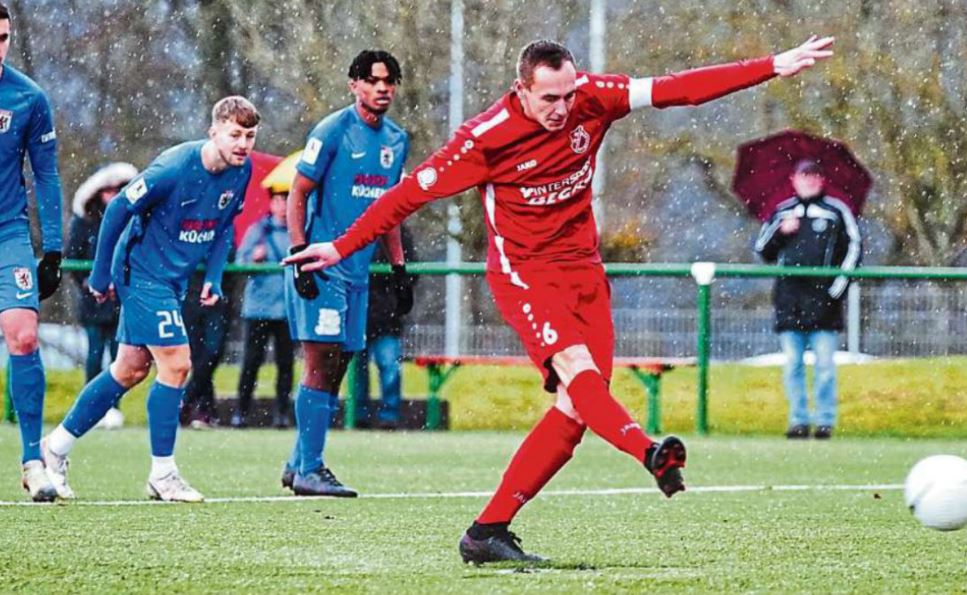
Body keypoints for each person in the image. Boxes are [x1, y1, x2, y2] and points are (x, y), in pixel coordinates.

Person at [285, 37, 835, 562]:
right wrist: (338, 245)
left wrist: (771, 65)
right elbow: (404, 196)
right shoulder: (485, 138)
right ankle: (647, 450)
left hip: (584, 273)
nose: (563, 107)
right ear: (520, 89)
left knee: (575, 410)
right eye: (550, 97)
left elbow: (678, 89)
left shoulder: (591, 97)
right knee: (577, 372)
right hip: (526, 275)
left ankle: (487, 531)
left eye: (569, 94)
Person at [42, 96, 259, 502]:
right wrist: (101, 272)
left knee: (129, 369)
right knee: (177, 364)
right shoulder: (174, 167)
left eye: (249, 136)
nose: (243, 144)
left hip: (173, 279)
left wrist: (213, 276)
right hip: (140, 273)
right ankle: (163, 473)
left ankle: (54, 448)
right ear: (214, 132)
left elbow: (225, 225)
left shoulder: (240, 173)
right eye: (235, 134)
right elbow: (117, 211)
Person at [280, 49, 411, 498]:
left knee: (340, 362)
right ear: (354, 84)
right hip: (321, 265)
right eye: (373, 80)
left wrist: (398, 268)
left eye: (390, 81)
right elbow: (298, 193)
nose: (382, 88)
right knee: (320, 362)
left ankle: (297, 461)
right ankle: (310, 470)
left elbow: (390, 211)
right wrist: (299, 253)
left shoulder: (397, 140)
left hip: (359, 272)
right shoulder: (332, 130)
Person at [0, 3, 65, 502]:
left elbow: (45, 173)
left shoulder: (28, 97)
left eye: (2, 37)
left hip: (8, 232)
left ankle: (32, 461)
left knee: (23, 335)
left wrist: (55, 248)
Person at [755, 159, 862, 440]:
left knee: (825, 366)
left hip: (823, 304)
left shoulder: (836, 212)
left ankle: (825, 421)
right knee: (793, 364)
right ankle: (798, 420)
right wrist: (781, 232)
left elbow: (855, 248)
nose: (809, 180)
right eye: (804, 176)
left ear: (822, 179)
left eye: (814, 175)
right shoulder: (782, 211)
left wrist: (835, 290)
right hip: (789, 302)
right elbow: (762, 250)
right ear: (794, 179)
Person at [66, 163, 137, 430]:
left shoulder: (128, 221)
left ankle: (114, 407)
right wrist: (90, 284)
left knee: (120, 357)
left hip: (121, 300)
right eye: (109, 191)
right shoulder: (85, 223)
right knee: (95, 354)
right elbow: (73, 256)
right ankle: (90, 408)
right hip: (94, 301)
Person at [232, 191, 294, 429]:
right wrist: (253, 259)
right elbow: (241, 262)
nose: (282, 206)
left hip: (286, 308)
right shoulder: (258, 231)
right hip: (258, 307)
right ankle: (242, 411)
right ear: (271, 203)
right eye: (278, 201)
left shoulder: (298, 231)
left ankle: (281, 413)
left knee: (285, 364)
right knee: (251, 362)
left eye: (287, 201)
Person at [350, 225, 415, 429]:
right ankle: (361, 414)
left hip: (385, 315)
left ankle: (388, 415)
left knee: (388, 366)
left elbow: (410, 269)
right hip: (365, 312)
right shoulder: (356, 228)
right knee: (359, 368)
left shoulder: (399, 232)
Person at [179, 253, 237, 430]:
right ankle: (205, 410)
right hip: (190, 297)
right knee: (198, 357)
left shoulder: (221, 228)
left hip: (217, 299)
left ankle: (185, 401)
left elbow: (229, 253)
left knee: (212, 352)